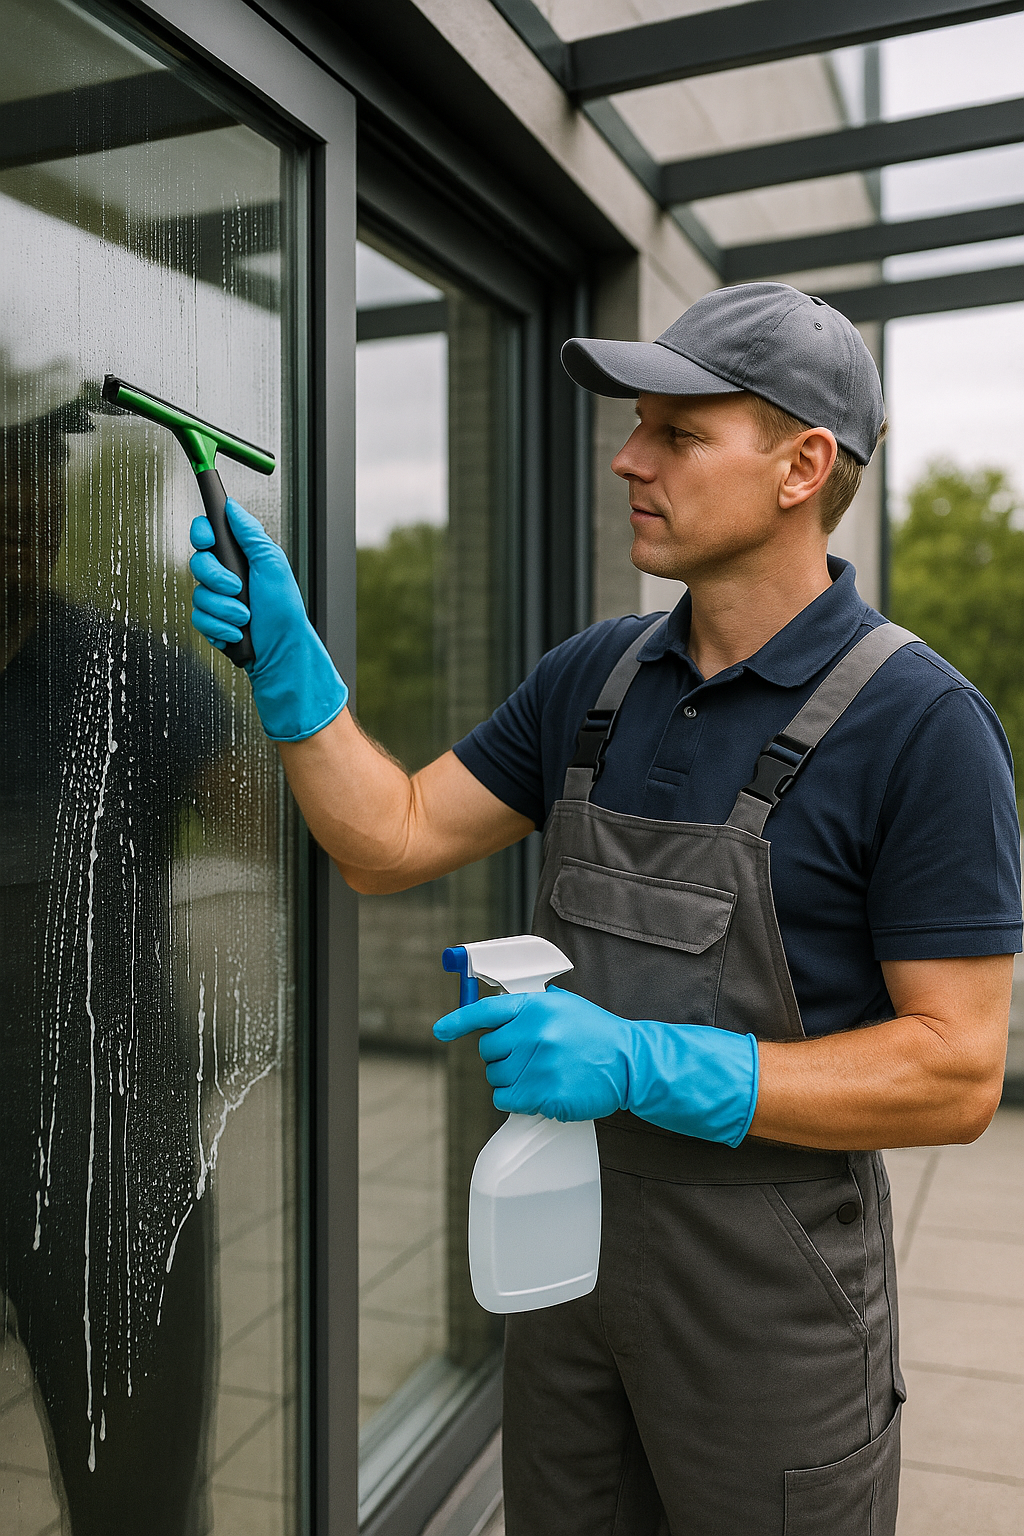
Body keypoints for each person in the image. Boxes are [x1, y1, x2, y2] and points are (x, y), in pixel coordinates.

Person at [190, 282, 1021, 1536]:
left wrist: (639, 1061)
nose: (628, 458)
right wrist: (293, 675)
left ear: (802, 467)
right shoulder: (595, 678)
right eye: (638, 425)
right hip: (566, 1266)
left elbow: (955, 1074)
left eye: (678, 434)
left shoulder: (924, 727)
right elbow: (389, 840)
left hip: (767, 1300)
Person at [0, 355, 224, 1535]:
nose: (23, 546)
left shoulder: (125, 672)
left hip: (109, 1146)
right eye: (3, 518)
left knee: (135, 1487)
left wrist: (278, 669)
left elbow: (276, 818)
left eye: (38, 521)